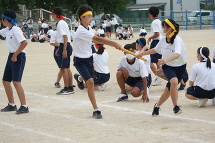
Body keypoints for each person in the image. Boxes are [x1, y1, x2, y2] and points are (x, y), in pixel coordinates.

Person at [73, 4, 121, 119]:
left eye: (91, 16)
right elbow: (96, 39)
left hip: (89, 59)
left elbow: (95, 41)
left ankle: (79, 78)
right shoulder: (80, 30)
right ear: (82, 17)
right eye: (88, 16)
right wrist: (113, 43)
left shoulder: (88, 28)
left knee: (89, 82)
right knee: (90, 82)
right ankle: (96, 109)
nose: (91, 18)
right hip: (80, 61)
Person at [137, 19, 186, 116]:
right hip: (168, 66)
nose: (162, 28)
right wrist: (142, 53)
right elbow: (155, 50)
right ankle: (176, 107)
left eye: (163, 27)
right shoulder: (163, 40)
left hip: (180, 65)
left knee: (168, 89)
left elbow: (177, 55)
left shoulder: (177, 40)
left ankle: (157, 106)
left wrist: (165, 60)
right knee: (174, 82)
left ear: (169, 29)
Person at [0, 9, 29, 114]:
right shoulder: (8, 29)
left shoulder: (16, 30)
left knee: (16, 81)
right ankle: (11, 104)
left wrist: (15, 55)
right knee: (6, 81)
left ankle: (24, 106)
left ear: (5, 19)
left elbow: (24, 43)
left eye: (2, 19)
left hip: (18, 56)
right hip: (11, 55)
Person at [51, 7, 74, 95]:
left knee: (64, 68)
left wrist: (63, 49)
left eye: (52, 14)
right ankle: (70, 87)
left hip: (65, 45)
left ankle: (66, 88)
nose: (52, 16)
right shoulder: (62, 22)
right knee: (67, 67)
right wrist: (60, 49)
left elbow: (65, 37)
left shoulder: (60, 23)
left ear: (55, 15)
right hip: (64, 45)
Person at [148, 6, 163, 86]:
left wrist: (150, 37)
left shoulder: (154, 23)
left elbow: (157, 34)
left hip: (156, 42)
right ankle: (159, 76)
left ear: (150, 14)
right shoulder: (159, 21)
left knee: (150, 61)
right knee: (157, 61)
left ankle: (159, 76)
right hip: (159, 42)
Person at [49, 24, 63, 88]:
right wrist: (61, 46)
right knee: (62, 67)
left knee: (66, 67)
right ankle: (57, 82)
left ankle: (69, 83)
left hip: (64, 49)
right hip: (58, 50)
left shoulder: (64, 32)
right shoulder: (54, 33)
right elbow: (52, 42)